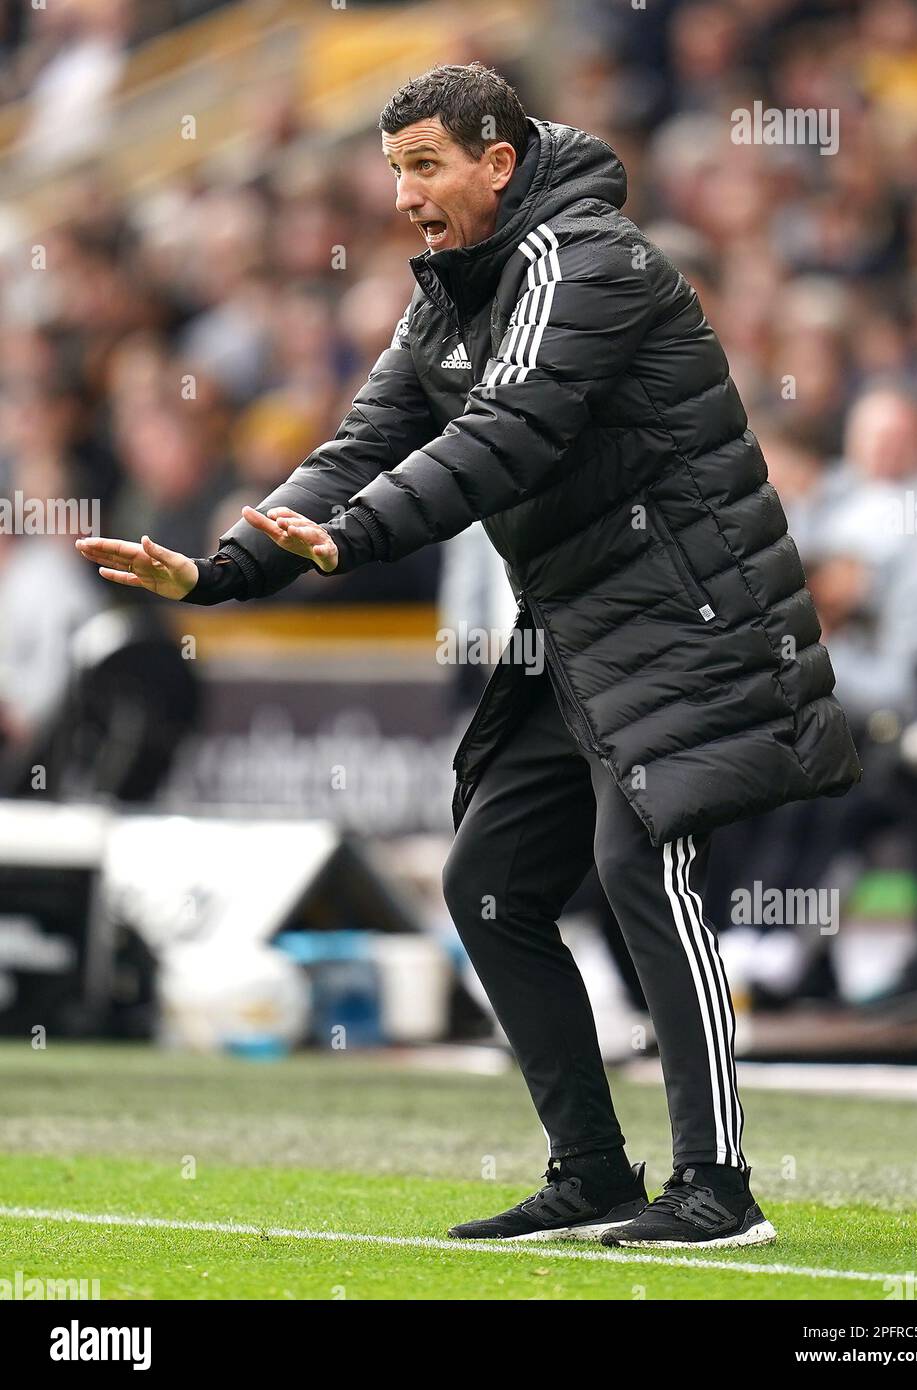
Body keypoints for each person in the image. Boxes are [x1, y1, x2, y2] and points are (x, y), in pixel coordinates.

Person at [76, 62, 861, 1249]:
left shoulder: (582, 258)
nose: (403, 194)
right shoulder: (454, 291)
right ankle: (592, 1171)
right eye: (393, 168)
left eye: (425, 165)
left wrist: (350, 538)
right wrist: (224, 567)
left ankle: (718, 1186)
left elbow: (502, 436)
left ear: (498, 163)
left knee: (642, 860)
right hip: (574, 625)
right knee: (485, 882)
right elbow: (360, 444)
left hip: (684, 609)